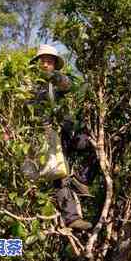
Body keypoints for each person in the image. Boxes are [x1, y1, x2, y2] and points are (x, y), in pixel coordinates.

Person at [26, 44, 93, 230]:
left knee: (91, 145)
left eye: (50, 61)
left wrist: (54, 77)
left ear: (55, 64)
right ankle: (72, 218)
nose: (46, 64)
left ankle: (82, 178)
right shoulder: (31, 86)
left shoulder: (58, 82)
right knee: (59, 176)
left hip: (66, 130)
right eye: (43, 61)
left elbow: (69, 85)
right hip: (48, 135)